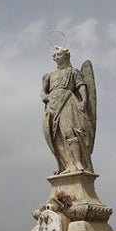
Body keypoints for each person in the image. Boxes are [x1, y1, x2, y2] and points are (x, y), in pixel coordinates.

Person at [41, 46, 96, 174]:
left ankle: (77, 163)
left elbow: (81, 86)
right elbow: (43, 92)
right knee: (57, 137)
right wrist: (45, 97)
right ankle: (66, 165)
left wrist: (84, 100)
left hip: (67, 102)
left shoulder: (73, 72)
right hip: (52, 106)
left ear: (66, 56)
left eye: (58, 55)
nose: (55, 57)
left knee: (70, 132)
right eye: (54, 56)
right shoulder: (49, 76)